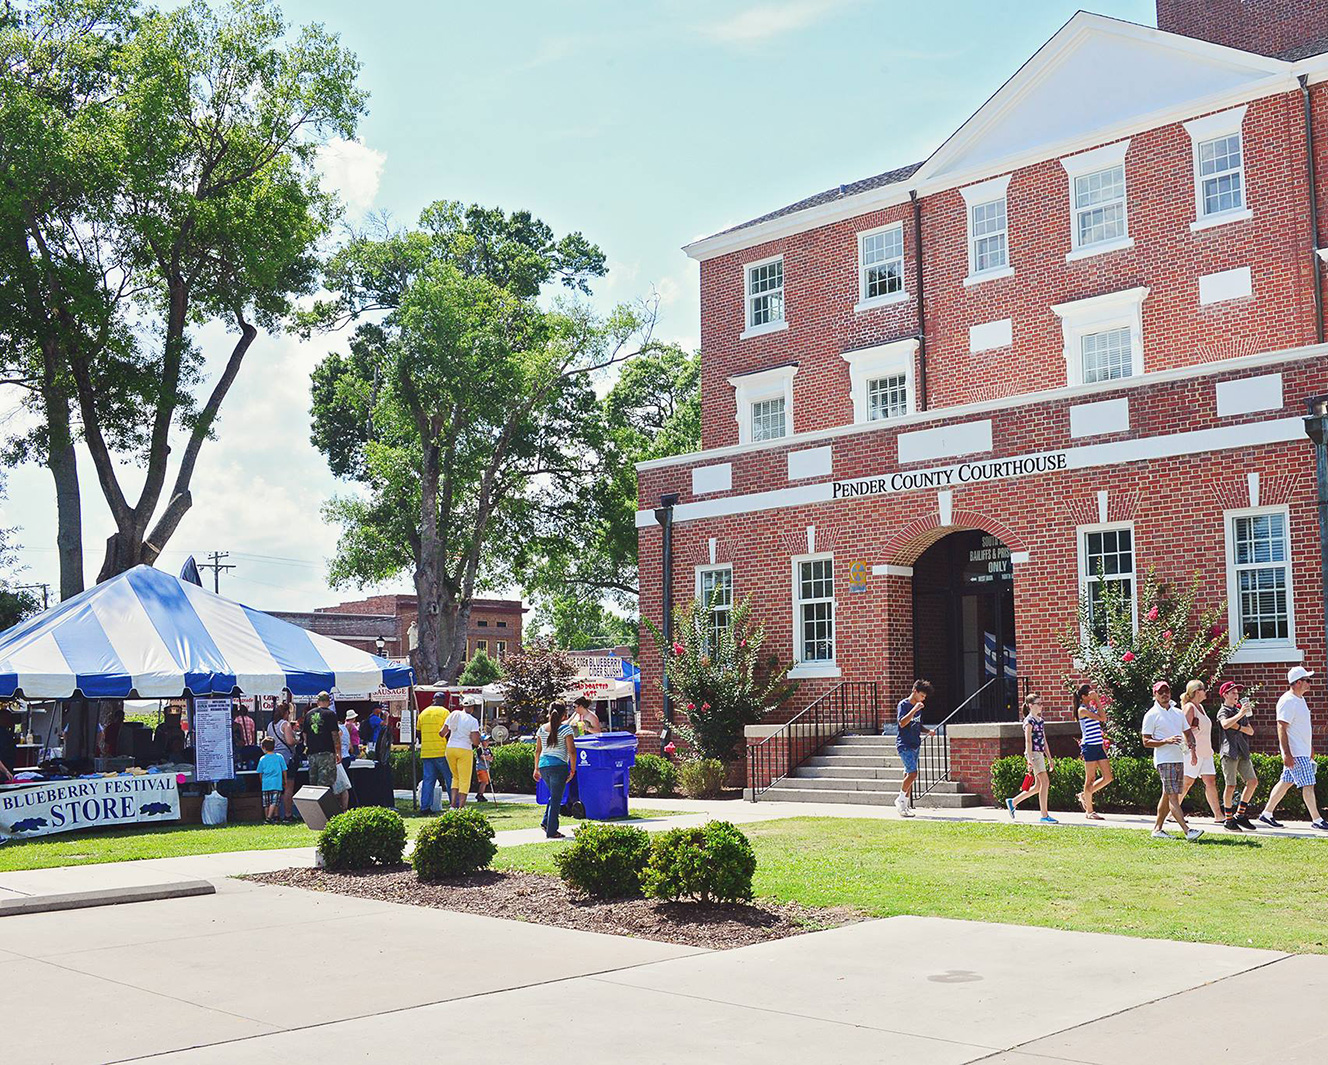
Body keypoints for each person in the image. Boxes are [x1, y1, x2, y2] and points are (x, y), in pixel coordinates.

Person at [1258, 667, 1328, 830]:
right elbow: (1281, 727)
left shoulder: (1299, 700)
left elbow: (1301, 728)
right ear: (1298, 682)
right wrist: (1286, 753)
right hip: (1296, 753)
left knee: (1285, 782)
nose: (1310, 683)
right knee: (1308, 784)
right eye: (1307, 680)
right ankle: (1317, 820)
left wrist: (1309, 747)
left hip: (1301, 751)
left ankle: (1266, 814)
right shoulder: (1287, 701)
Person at [1141, 680, 1203, 841]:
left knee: (1167, 795)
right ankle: (1187, 831)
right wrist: (1166, 741)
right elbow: (1146, 742)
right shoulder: (1151, 715)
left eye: (1166, 691)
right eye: (1160, 692)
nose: (1164, 694)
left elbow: (1187, 731)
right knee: (1173, 795)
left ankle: (1157, 829)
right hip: (1164, 760)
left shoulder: (1177, 712)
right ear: (1155, 694)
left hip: (1178, 758)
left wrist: (1191, 742)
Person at [1005, 693, 1057, 823]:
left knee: (1037, 786)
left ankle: (1013, 802)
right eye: (1038, 704)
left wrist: (1050, 758)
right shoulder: (1029, 721)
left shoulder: (1040, 720)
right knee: (1045, 783)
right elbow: (1028, 741)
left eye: (1041, 703)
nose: (1041, 706)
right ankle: (1044, 816)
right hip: (1033, 754)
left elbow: (1044, 740)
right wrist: (1029, 759)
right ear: (1030, 706)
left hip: (1039, 754)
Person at [1216, 681, 1259, 831]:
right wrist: (1239, 717)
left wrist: (1239, 725)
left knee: (1252, 782)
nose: (1236, 696)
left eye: (1237, 693)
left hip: (1243, 751)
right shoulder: (1223, 710)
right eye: (1233, 693)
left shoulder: (1239, 711)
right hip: (1229, 752)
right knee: (1231, 785)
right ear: (1225, 695)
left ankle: (1239, 814)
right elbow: (1225, 724)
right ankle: (1228, 820)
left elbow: (1251, 731)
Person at [1179, 680, 1223, 824]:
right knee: (1187, 782)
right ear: (1197, 691)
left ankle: (1218, 815)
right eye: (1203, 689)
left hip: (1206, 752)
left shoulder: (1201, 707)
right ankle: (1171, 812)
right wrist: (1192, 752)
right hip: (1193, 752)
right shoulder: (1189, 708)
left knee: (1210, 781)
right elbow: (1184, 731)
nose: (1206, 692)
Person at [533, 702, 577, 838]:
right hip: (559, 766)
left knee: (554, 796)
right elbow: (572, 751)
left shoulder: (541, 729)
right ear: (564, 715)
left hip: (544, 765)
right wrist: (573, 770)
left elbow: (538, 750)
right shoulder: (566, 729)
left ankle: (546, 822)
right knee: (557, 799)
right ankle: (552, 831)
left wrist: (536, 769)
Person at [893, 680, 935, 817]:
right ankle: (899, 800)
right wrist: (914, 709)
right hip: (904, 744)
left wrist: (928, 731)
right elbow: (902, 723)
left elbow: (917, 725)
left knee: (908, 775)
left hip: (915, 743)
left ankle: (904, 806)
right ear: (914, 691)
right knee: (912, 773)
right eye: (922, 695)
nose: (923, 699)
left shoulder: (918, 707)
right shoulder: (904, 705)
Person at [1074, 683, 1112, 819]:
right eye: (1089, 693)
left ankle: (1085, 795)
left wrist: (1097, 702)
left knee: (1108, 777)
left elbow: (1103, 717)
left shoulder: (1091, 708)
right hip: (1089, 746)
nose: (1092, 694)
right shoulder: (1082, 710)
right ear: (1083, 697)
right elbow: (1102, 718)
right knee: (1090, 779)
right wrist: (1096, 699)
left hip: (1098, 745)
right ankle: (1089, 811)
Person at [442, 696, 481, 809]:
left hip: (450, 748)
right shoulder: (473, 721)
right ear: (472, 707)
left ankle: (452, 805)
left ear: (463, 706)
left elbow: (442, 733)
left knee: (455, 778)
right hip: (464, 749)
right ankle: (461, 807)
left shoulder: (454, 714)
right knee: (464, 779)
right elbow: (475, 742)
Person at [417, 693, 452, 813]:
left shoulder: (423, 713)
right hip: (442, 751)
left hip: (426, 752)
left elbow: (418, 732)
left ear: (433, 700)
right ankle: (454, 805)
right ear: (443, 700)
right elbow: (449, 731)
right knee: (449, 779)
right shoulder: (445, 712)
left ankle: (425, 807)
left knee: (428, 781)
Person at [304, 692, 341, 791]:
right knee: (325, 786)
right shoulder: (330, 714)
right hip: (326, 753)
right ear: (328, 702)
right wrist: (338, 752)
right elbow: (335, 735)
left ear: (317, 702)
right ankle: (326, 807)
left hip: (312, 754)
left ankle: (314, 807)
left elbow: (305, 734)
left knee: (313, 786)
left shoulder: (308, 714)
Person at [270, 701, 300, 821]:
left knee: (277, 787)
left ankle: (276, 815)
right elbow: (290, 741)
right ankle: (288, 814)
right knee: (288, 787)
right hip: (286, 759)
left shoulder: (270, 725)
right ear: (286, 712)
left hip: (274, 759)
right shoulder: (286, 725)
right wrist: (297, 741)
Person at [256, 737, 287, 824]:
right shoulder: (279, 757)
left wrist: (261, 781)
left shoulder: (262, 759)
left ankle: (267, 817)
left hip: (266, 783)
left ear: (263, 747)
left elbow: (260, 772)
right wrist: (285, 780)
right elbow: (284, 769)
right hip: (277, 783)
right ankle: (269, 818)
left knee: (266, 803)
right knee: (275, 801)